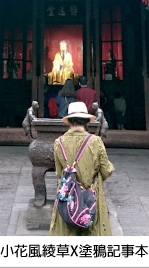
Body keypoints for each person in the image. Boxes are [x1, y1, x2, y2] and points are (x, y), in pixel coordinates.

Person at [50, 101, 115, 236]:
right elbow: (106, 170)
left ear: (69, 121)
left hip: (68, 198)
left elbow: (58, 171)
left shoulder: (59, 143)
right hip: (91, 195)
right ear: (86, 120)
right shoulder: (95, 141)